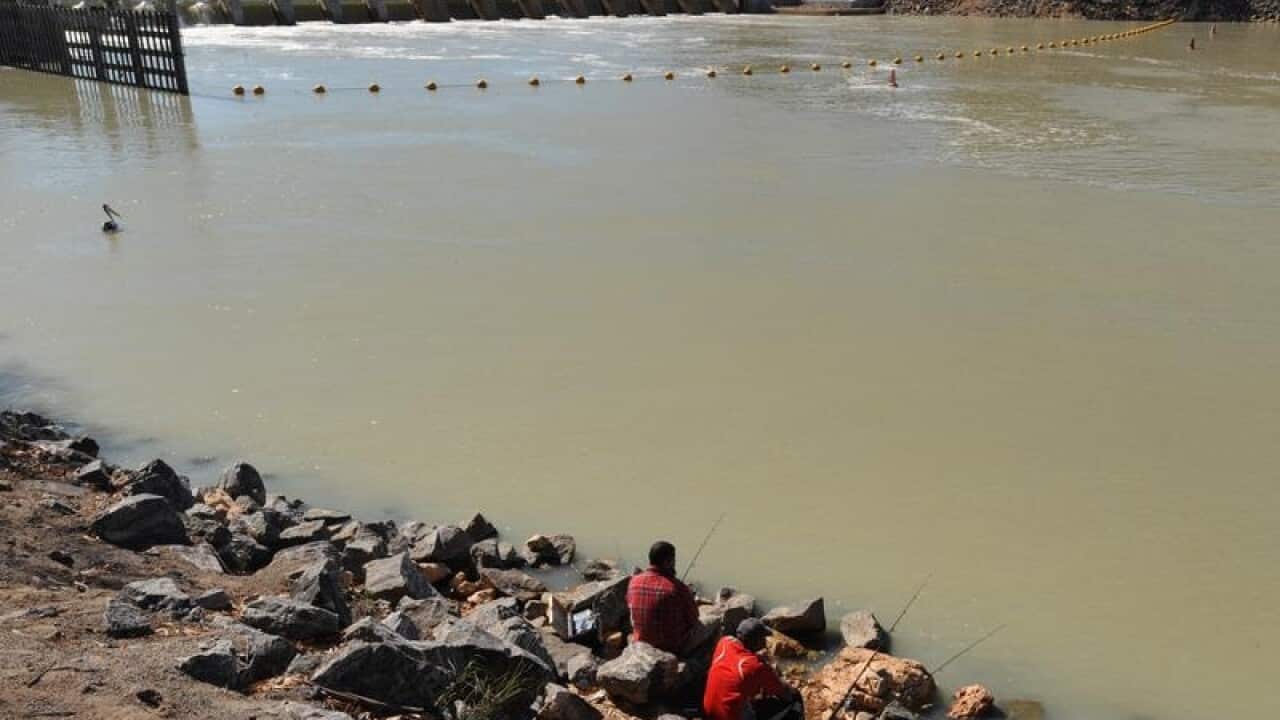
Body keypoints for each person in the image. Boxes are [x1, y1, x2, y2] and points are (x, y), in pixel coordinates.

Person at [704, 618, 802, 720]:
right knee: (795, 698)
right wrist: (769, 668)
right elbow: (784, 693)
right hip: (732, 716)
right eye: (763, 639)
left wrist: (755, 657)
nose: (764, 643)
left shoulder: (724, 642)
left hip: (710, 712)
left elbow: (738, 658)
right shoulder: (755, 666)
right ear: (756, 641)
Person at [626, 540, 699, 655]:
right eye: (673, 561)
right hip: (671, 648)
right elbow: (693, 620)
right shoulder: (678, 588)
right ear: (668, 562)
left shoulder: (634, 581)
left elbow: (630, 608)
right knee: (711, 623)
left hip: (641, 643)